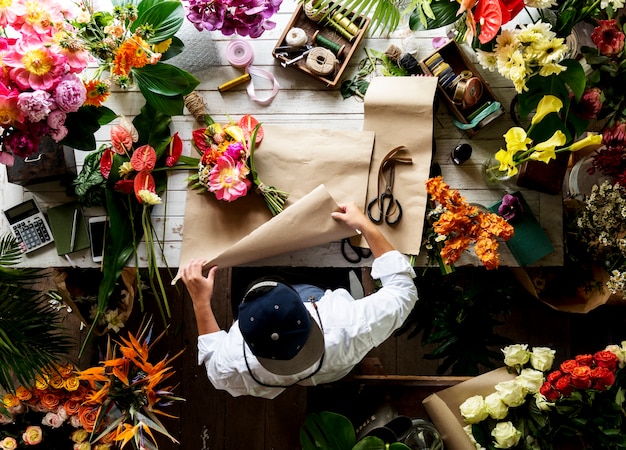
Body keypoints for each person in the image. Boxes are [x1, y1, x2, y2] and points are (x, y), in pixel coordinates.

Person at [180, 202, 418, 399]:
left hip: (255, 285)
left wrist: (201, 303)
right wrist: (365, 225)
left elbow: (212, 362)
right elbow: (403, 291)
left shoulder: (233, 362)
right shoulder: (346, 325)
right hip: (318, 294)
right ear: (307, 315)